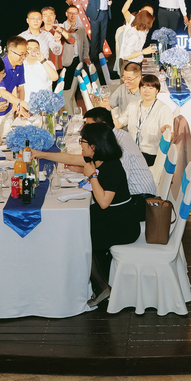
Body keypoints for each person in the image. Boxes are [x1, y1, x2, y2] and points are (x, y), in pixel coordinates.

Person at [77, 122, 143, 310]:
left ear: (94, 146)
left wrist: (92, 177)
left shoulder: (112, 167)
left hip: (123, 226)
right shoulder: (100, 161)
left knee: (80, 236)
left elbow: (104, 202)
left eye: (82, 141)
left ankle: (101, 286)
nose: (80, 144)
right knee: (79, 223)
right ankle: (101, 279)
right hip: (115, 217)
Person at [38, 106, 158, 200]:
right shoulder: (107, 139)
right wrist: (40, 154)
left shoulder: (118, 143)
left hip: (139, 197)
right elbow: (73, 159)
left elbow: (118, 179)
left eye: (89, 126)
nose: (86, 130)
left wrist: (92, 175)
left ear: (102, 125)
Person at [122, 74, 174, 165]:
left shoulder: (163, 108)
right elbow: (118, 124)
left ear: (157, 90)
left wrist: (165, 130)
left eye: (151, 88)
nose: (146, 91)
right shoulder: (132, 105)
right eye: (144, 87)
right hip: (131, 150)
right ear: (139, 89)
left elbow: (170, 134)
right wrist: (107, 108)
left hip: (150, 153)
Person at [85, 0, 114, 72]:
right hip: (95, 14)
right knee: (95, 36)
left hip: (105, 13)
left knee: (103, 36)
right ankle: (93, 58)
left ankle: (101, 56)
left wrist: (109, 2)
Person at [117, 0, 156, 67]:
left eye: (150, 14)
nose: (147, 15)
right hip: (128, 62)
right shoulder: (133, 21)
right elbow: (124, 10)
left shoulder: (146, 28)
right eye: (146, 12)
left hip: (137, 60)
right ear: (140, 12)